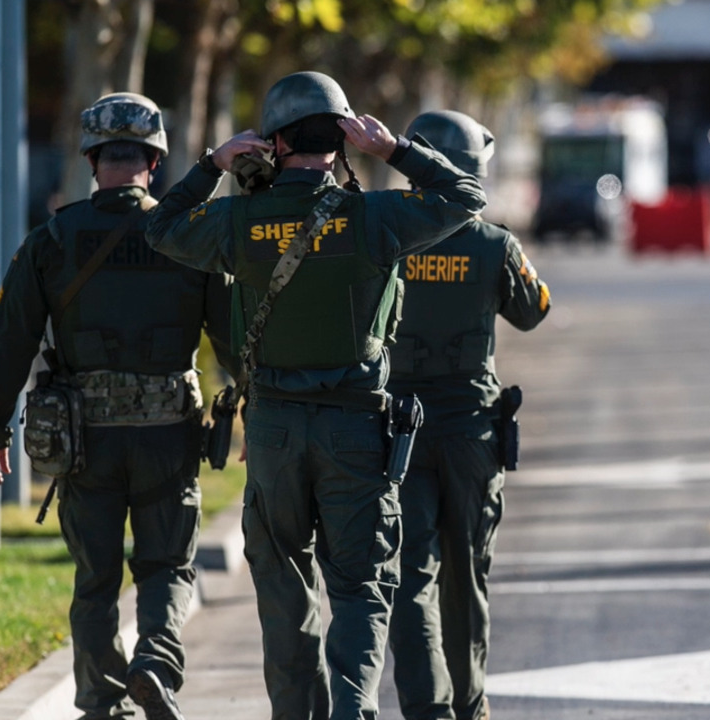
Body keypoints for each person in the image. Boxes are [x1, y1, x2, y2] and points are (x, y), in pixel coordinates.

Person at [145, 71, 486, 720]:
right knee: (359, 587)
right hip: (356, 432)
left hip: (272, 432)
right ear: (344, 139)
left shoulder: (235, 220)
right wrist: (396, 150)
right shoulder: (376, 217)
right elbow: (466, 196)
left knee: (283, 589)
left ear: (273, 143)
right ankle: (352, 709)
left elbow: (159, 227)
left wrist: (213, 164)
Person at [0, 92, 236, 720]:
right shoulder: (188, 236)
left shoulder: (52, 239)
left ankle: (100, 702)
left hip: (83, 441)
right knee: (166, 565)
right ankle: (155, 664)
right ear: (155, 161)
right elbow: (232, 333)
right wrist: (250, 407)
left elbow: (9, 339)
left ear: (91, 160)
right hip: (170, 435)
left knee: (95, 581)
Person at [387, 110, 552, 720]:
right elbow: (533, 310)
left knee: (409, 577)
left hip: (398, 433)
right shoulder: (493, 245)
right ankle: (470, 703)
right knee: (466, 577)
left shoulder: (388, 238)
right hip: (470, 433)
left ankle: (425, 708)